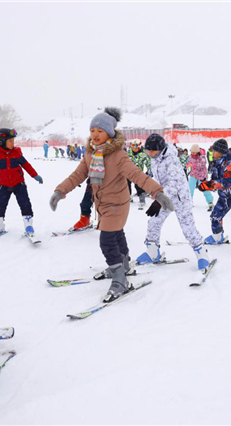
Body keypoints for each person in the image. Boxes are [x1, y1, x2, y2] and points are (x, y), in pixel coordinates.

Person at [49, 108, 174, 302]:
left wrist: (157, 192)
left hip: (117, 204)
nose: (95, 135)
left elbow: (137, 175)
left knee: (107, 241)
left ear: (109, 132)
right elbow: (78, 175)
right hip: (102, 204)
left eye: (100, 131)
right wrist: (60, 190)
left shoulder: (118, 156)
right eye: (92, 131)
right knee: (116, 235)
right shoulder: (90, 153)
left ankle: (120, 280)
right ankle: (124, 266)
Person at [136, 134, 211, 272]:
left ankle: (202, 254)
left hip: (180, 197)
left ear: (159, 149)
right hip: (164, 196)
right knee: (154, 221)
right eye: (148, 151)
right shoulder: (155, 159)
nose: (150, 154)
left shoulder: (171, 160)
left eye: (152, 151)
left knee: (187, 227)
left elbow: (174, 183)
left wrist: (160, 199)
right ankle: (152, 251)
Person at [186, 144, 214, 210]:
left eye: (193, 152)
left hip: (202, 175)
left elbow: (201, 165)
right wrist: (188, 165)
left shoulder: (202, 156)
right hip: (193, 174)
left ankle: (210, 202)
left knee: (205, 188)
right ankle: (189, 202)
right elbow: (188, 163)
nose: (192, 153)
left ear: (197, 151)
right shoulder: (190, 157)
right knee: (190, 188)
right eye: (191, 152)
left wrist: (193, 165)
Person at [128, 139, 152, 209]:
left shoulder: (143, 154)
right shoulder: (129, 153)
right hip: (129, 172)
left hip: (138, 173)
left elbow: (148, 163)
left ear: (139, 147)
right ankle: (128, 197)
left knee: (138, 186)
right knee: (126, 184)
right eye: (132, 147)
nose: (134, 149)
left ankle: (142, 199)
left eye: (136, 148)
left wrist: (149, 172)